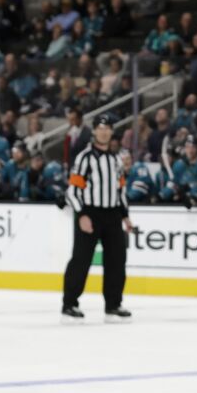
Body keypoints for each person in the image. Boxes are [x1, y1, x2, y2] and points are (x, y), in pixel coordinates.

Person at [62, 113, 132, 323]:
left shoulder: (116, 159)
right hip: (90, 213)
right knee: (81, 260)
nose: (104, 132)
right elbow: (73, 191)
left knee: (117, 260)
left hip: (112, 215)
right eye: (100, 128)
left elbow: (120, 191)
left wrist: (125, 216)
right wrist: (81, 214)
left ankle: (113, 304)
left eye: (108, 128)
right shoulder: (84, 158)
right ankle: (69, 304)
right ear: (94, 131)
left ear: (111, 132)